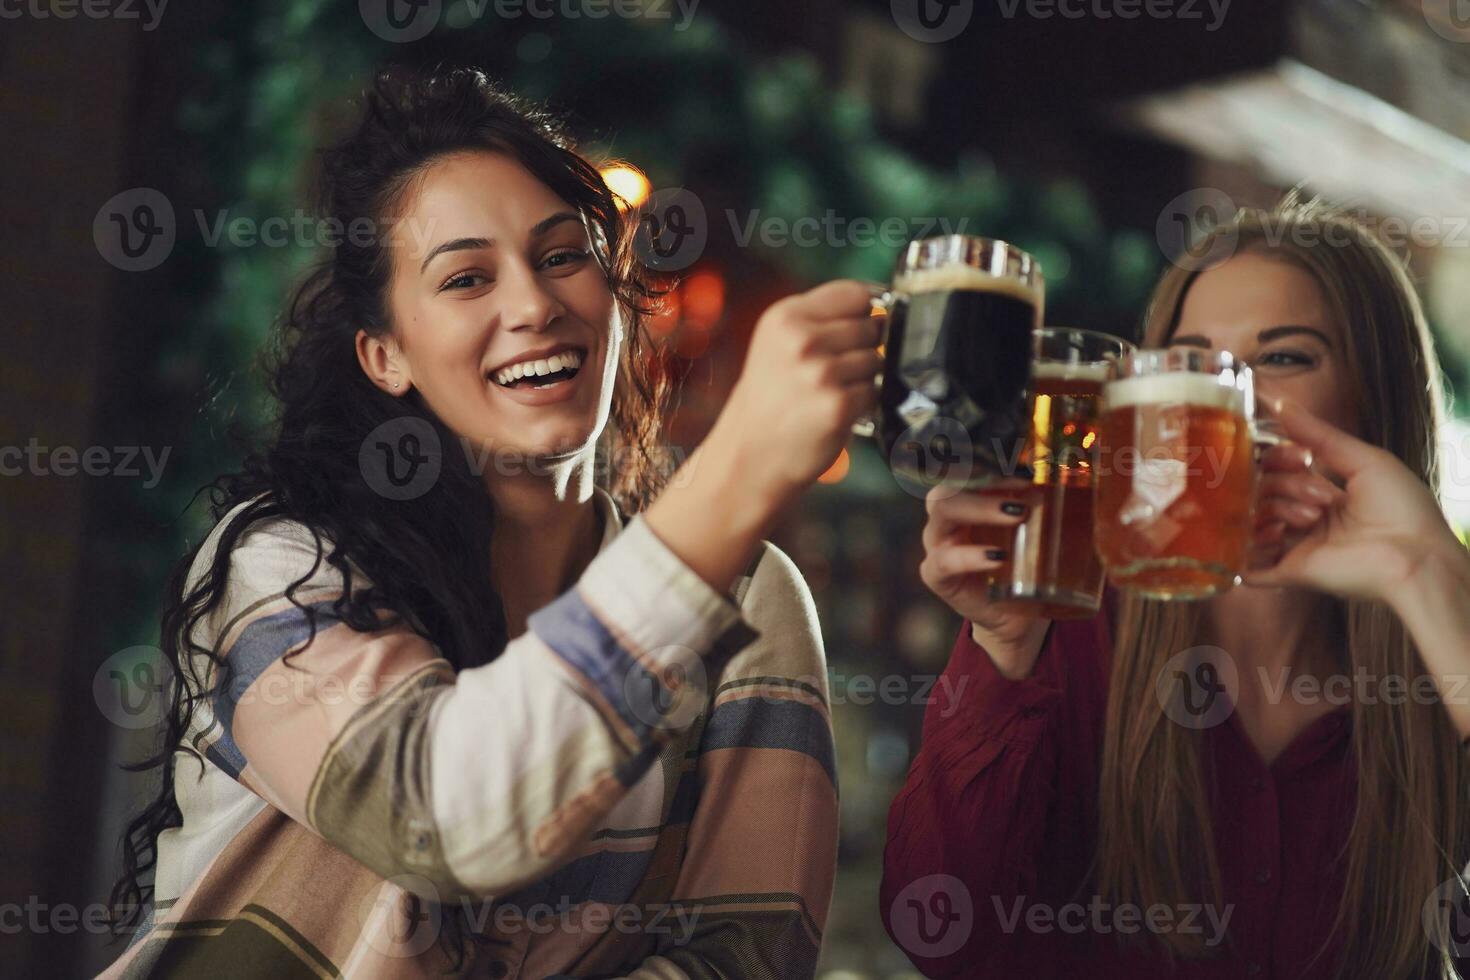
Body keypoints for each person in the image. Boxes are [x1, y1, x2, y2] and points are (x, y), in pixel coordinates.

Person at [104, 67, 876, 980]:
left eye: (561, 256)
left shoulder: (750, 597)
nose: (533, 306)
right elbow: (441, 817)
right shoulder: (284, 566)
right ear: (386, 354)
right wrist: (740, 469)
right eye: (467, 277)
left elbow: (744, 958)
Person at [882, 198, 1470, 980]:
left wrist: (1423, 572)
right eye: (1188, 361)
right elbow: (939, 934)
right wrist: (1001, 650)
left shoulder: (1441, 654)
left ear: (1378, 400)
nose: (1224, 398)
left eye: (1284, 358)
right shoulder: (1065, 626)